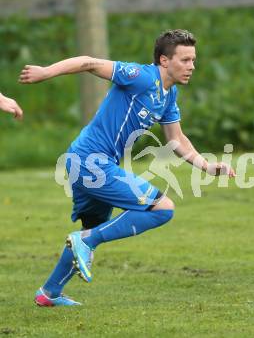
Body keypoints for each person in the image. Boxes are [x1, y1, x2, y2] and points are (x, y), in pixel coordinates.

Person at [19, 29, 235, 307]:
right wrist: (46, 72)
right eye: (185, 60)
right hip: (90, 162)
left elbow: (176, 139)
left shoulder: (168, 95)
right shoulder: (141, 77)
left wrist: (207, 166)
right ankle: (84, 243)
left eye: (193, 60)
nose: (192, 66)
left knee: (91, 231)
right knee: (163, 208)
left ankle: (49, 293)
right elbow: (89, 62)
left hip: (90, 163)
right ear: (164, 61)